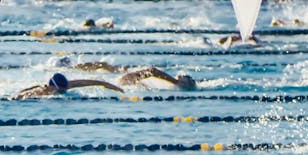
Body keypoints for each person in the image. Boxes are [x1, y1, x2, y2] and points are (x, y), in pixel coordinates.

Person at [68, 62, 197, 91]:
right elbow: (152, 71)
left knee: (103, 65)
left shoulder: (124, 81)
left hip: (116, 83)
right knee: (103, 65)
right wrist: (174, 81)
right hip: (118, 83)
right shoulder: (124, 80)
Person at [13, 72, 124, 99]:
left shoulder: (67, 85)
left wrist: (114, 87)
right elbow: (17, 97)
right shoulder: (40, 92)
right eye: (62, 90)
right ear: (53, 87)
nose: (65, 90)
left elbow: (96, 82)